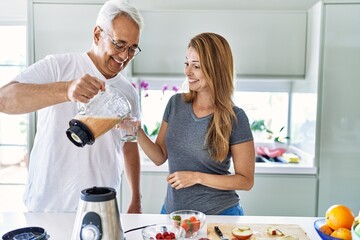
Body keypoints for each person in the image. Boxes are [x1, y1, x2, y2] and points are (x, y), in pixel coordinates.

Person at [0, 0, 143, 213]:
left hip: (101, 208)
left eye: (132, 49)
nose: (124, 56)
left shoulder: (128, 92)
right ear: (97, 35)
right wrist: (66, 90)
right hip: (47, 207)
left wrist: (136, 200)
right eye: (119, 44)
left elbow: (129, 145)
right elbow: (5, 100)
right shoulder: (58, 67)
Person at [137, 32, 255, 215]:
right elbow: (159, 157)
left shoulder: (235, 118)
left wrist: (196, 177)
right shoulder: (175, 104)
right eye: (186, 63)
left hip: (219, 215)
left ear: (216, 69)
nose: (187, 72)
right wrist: (136, 130)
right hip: (173, 215)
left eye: (196, 66)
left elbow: (246, 181)